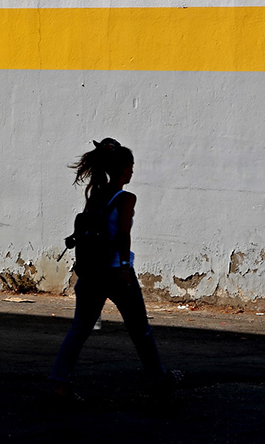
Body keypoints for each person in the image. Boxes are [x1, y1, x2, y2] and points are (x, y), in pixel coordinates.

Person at [50, 138, 181, 400]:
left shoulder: (96, 194)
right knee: (140, 330)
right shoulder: (125, 198)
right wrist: (123, 267)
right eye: (130, 166)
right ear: (122, 168)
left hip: (91, 274)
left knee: (80, 329)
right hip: (115, 272)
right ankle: (159, 379)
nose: (132, 171)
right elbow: (122, 236)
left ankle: (59, 381)